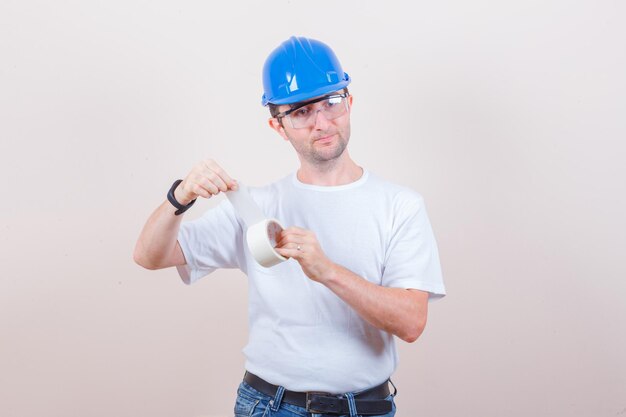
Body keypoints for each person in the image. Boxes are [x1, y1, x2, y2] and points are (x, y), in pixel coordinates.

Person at [134, 36, 446, 417]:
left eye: (331, 103)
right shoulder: (255, 209)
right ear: (278, 126)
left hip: (365, 408)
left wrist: (327, 271)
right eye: (300, 111)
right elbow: (149, 255)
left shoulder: (400, 206)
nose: (322, 122)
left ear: (350, 102)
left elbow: (412, 323)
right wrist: (179, 198)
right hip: (269, 406)